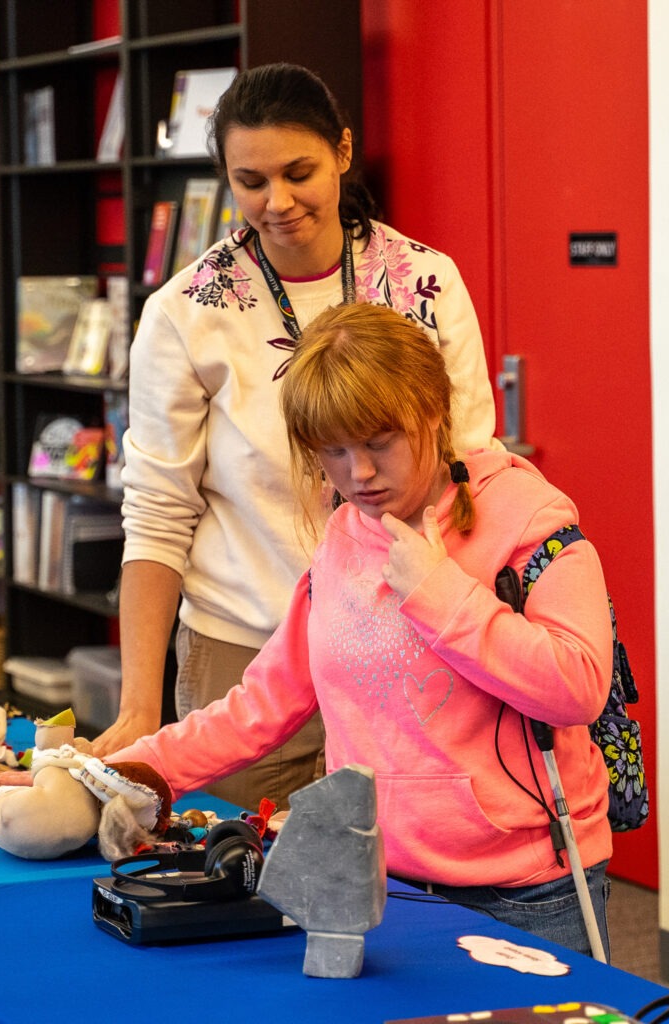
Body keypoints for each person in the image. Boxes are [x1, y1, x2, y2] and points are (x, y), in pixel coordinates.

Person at [109, 302, 614, 957]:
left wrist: (439, 593)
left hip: (523, 895)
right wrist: (131, 776)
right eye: (335, 451)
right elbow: (261, 705)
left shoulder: (530, 523)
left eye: (379, 442)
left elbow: (576, 689)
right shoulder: (344, 537)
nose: (359, 474)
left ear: (433, 410)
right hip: (379, 887)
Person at [93, 62, 501, 812]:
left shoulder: (426, 284)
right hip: (246, 657)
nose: (276, 202)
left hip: (409, 648)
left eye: (299, 171)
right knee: (253, 892)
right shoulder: (186, 312)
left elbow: (473, 467)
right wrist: (139, 704)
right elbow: (156, 514)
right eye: (250, 180)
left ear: (343, 153)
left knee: (407, 896)